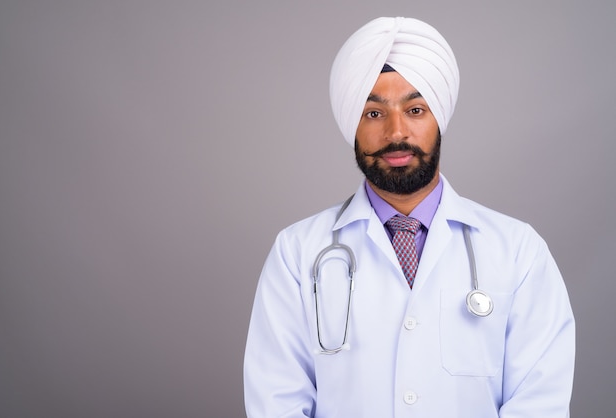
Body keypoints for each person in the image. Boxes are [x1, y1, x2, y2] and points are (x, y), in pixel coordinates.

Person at [243, 16, 575, 417]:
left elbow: (539, 402)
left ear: (439, 120)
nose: (396, 132)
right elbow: (275, 400)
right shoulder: (297, 252)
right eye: (373, 113)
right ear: (352, 124)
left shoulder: (518, 251)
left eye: (415, 109)